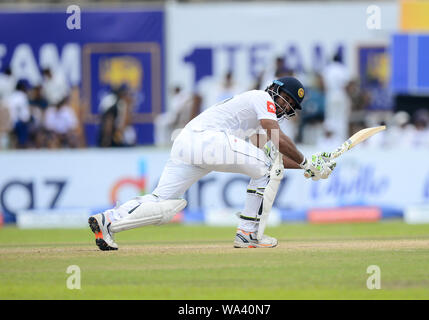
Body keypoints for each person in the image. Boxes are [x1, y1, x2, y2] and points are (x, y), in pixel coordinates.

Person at [88, 76, 337, 251]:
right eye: (286, 98)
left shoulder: (257, 120)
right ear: (275, 89)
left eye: (291, 105)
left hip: (188, 144)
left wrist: (309, 167)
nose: (286, 106)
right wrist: (307, 160)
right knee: (265, 168)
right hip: (207, 141)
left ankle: (109, 220)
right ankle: (248, 234)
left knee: (161, 203)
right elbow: (275, 143)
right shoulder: (262, 98)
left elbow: (273, 160)